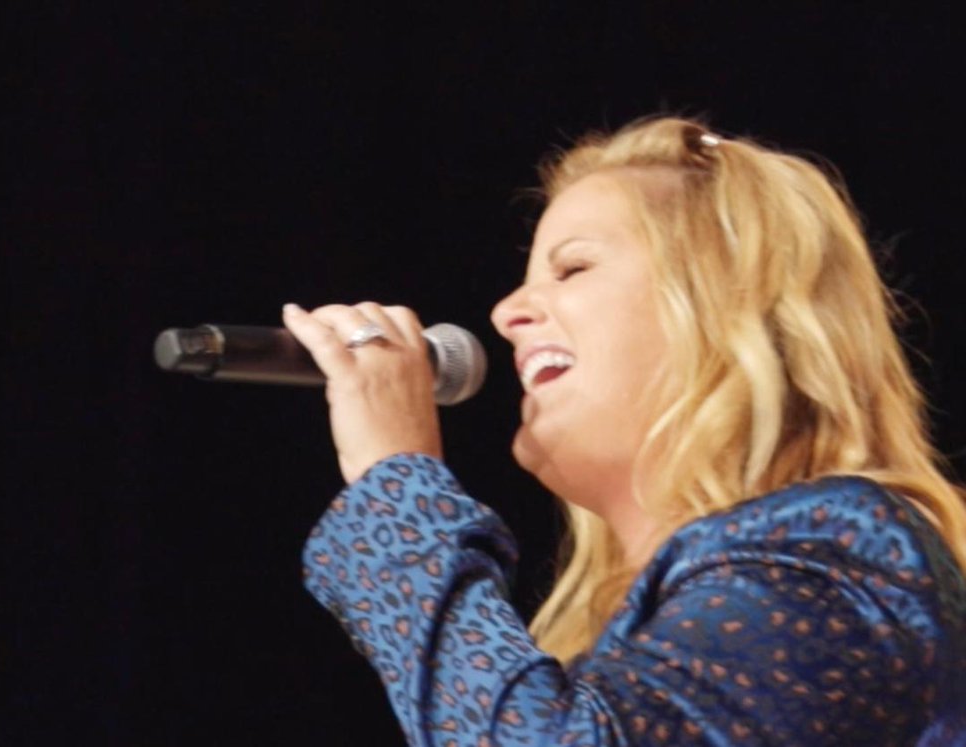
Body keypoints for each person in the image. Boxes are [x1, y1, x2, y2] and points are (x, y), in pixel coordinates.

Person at [280, 116, 966, 745]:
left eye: (573, 268)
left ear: (723, 307)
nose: (507, 312)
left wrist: (396, 483)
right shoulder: (637, 640)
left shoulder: (834, 551)